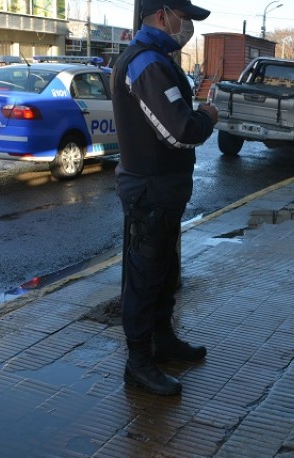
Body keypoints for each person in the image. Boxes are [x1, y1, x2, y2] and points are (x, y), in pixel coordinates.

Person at [110, 0, 219, 395]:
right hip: (149, 193)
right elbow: (179, 131)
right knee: (143, 278)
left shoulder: (157, 59)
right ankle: (138, 364)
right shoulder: (146, 64)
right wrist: (208, 115)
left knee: (164, 272)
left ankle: (163, 341)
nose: (187, 25)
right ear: (162, 15)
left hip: (164, 192)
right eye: (184, 17)